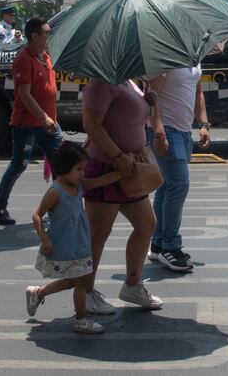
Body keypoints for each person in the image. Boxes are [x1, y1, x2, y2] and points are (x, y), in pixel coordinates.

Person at [81, 78, 164, 314]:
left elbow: (128, 119)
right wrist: (118, 156)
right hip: (107, 165)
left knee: (146, 224)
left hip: (131, 168)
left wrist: (150, 104)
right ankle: (86, 292)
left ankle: (132, 285)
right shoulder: (101, 83)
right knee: (98, 234)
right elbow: (91, 124)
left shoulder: (132, 82)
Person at [27, 142, 122, 334]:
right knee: (80, 283)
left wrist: (121, 174)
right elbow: (36, 215)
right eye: (78, 169)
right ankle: (81, 320)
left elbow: (98, 182)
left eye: (83, 169)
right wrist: (44, 239)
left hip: (80, 243)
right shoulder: (56, 192)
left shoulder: (78, 186)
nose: (82, 174)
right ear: (64, 168)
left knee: (73, 282)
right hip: (65, 244)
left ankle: (38, 292)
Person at [0, 18, 61, 225]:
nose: (49, 35)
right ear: (34, 35)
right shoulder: (23, 59)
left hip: (50, 125)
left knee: (60, 167)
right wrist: (43, 117)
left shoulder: (46, 57)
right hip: (27, 124)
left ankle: (57, 209)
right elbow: (24, 94)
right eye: (46, 32)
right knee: (18, 165)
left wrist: (50, 119)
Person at [146, 66, 210, 272]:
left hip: (184, 132)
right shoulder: (164, 57)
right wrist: (158, 132)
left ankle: (158, 243)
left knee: (167, 186)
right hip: (168, 130)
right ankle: (170, 247)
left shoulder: (194, 56)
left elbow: (198, 90)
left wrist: (204, 123)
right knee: (179, 185)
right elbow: (152, 97)